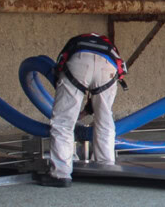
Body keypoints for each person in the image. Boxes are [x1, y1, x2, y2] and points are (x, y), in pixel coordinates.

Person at [38, 33, 127, 187]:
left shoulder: (75, 41)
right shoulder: (107, 44)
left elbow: (60, 70)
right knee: (104, 120)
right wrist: (88, 109)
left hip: (79, 62)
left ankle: (61, 174)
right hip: (108, 67)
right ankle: (106, 168)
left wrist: (73, 105)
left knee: (63, 122)